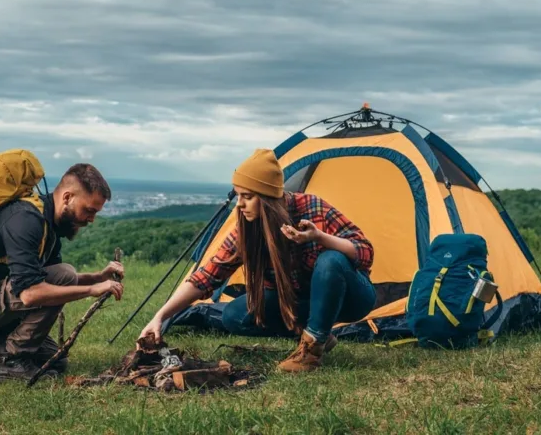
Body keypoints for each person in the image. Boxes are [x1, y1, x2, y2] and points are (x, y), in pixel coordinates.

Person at [139, 149, 376, 372]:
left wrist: (320, 237)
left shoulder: (312, 207)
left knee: (331, 260)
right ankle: (315, 333)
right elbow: (206, 277)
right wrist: (159, 317)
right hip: (298, 302)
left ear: (268, 198)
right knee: (234, 315)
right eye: (238, 196)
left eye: (247, 196)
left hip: (352, 298)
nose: (240, 205)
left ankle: (312, 349)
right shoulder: (248, 231)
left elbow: (365, 252)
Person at [0, 163, 126, 381]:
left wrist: (98, 277)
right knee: (65, 274)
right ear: (68, 197)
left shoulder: (49, 226)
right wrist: (91, 289)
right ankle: (14, 360)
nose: (91, 219)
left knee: (55, 361)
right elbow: (31, 293)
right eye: (89, 210)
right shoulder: (26, 219)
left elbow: (45, 279)